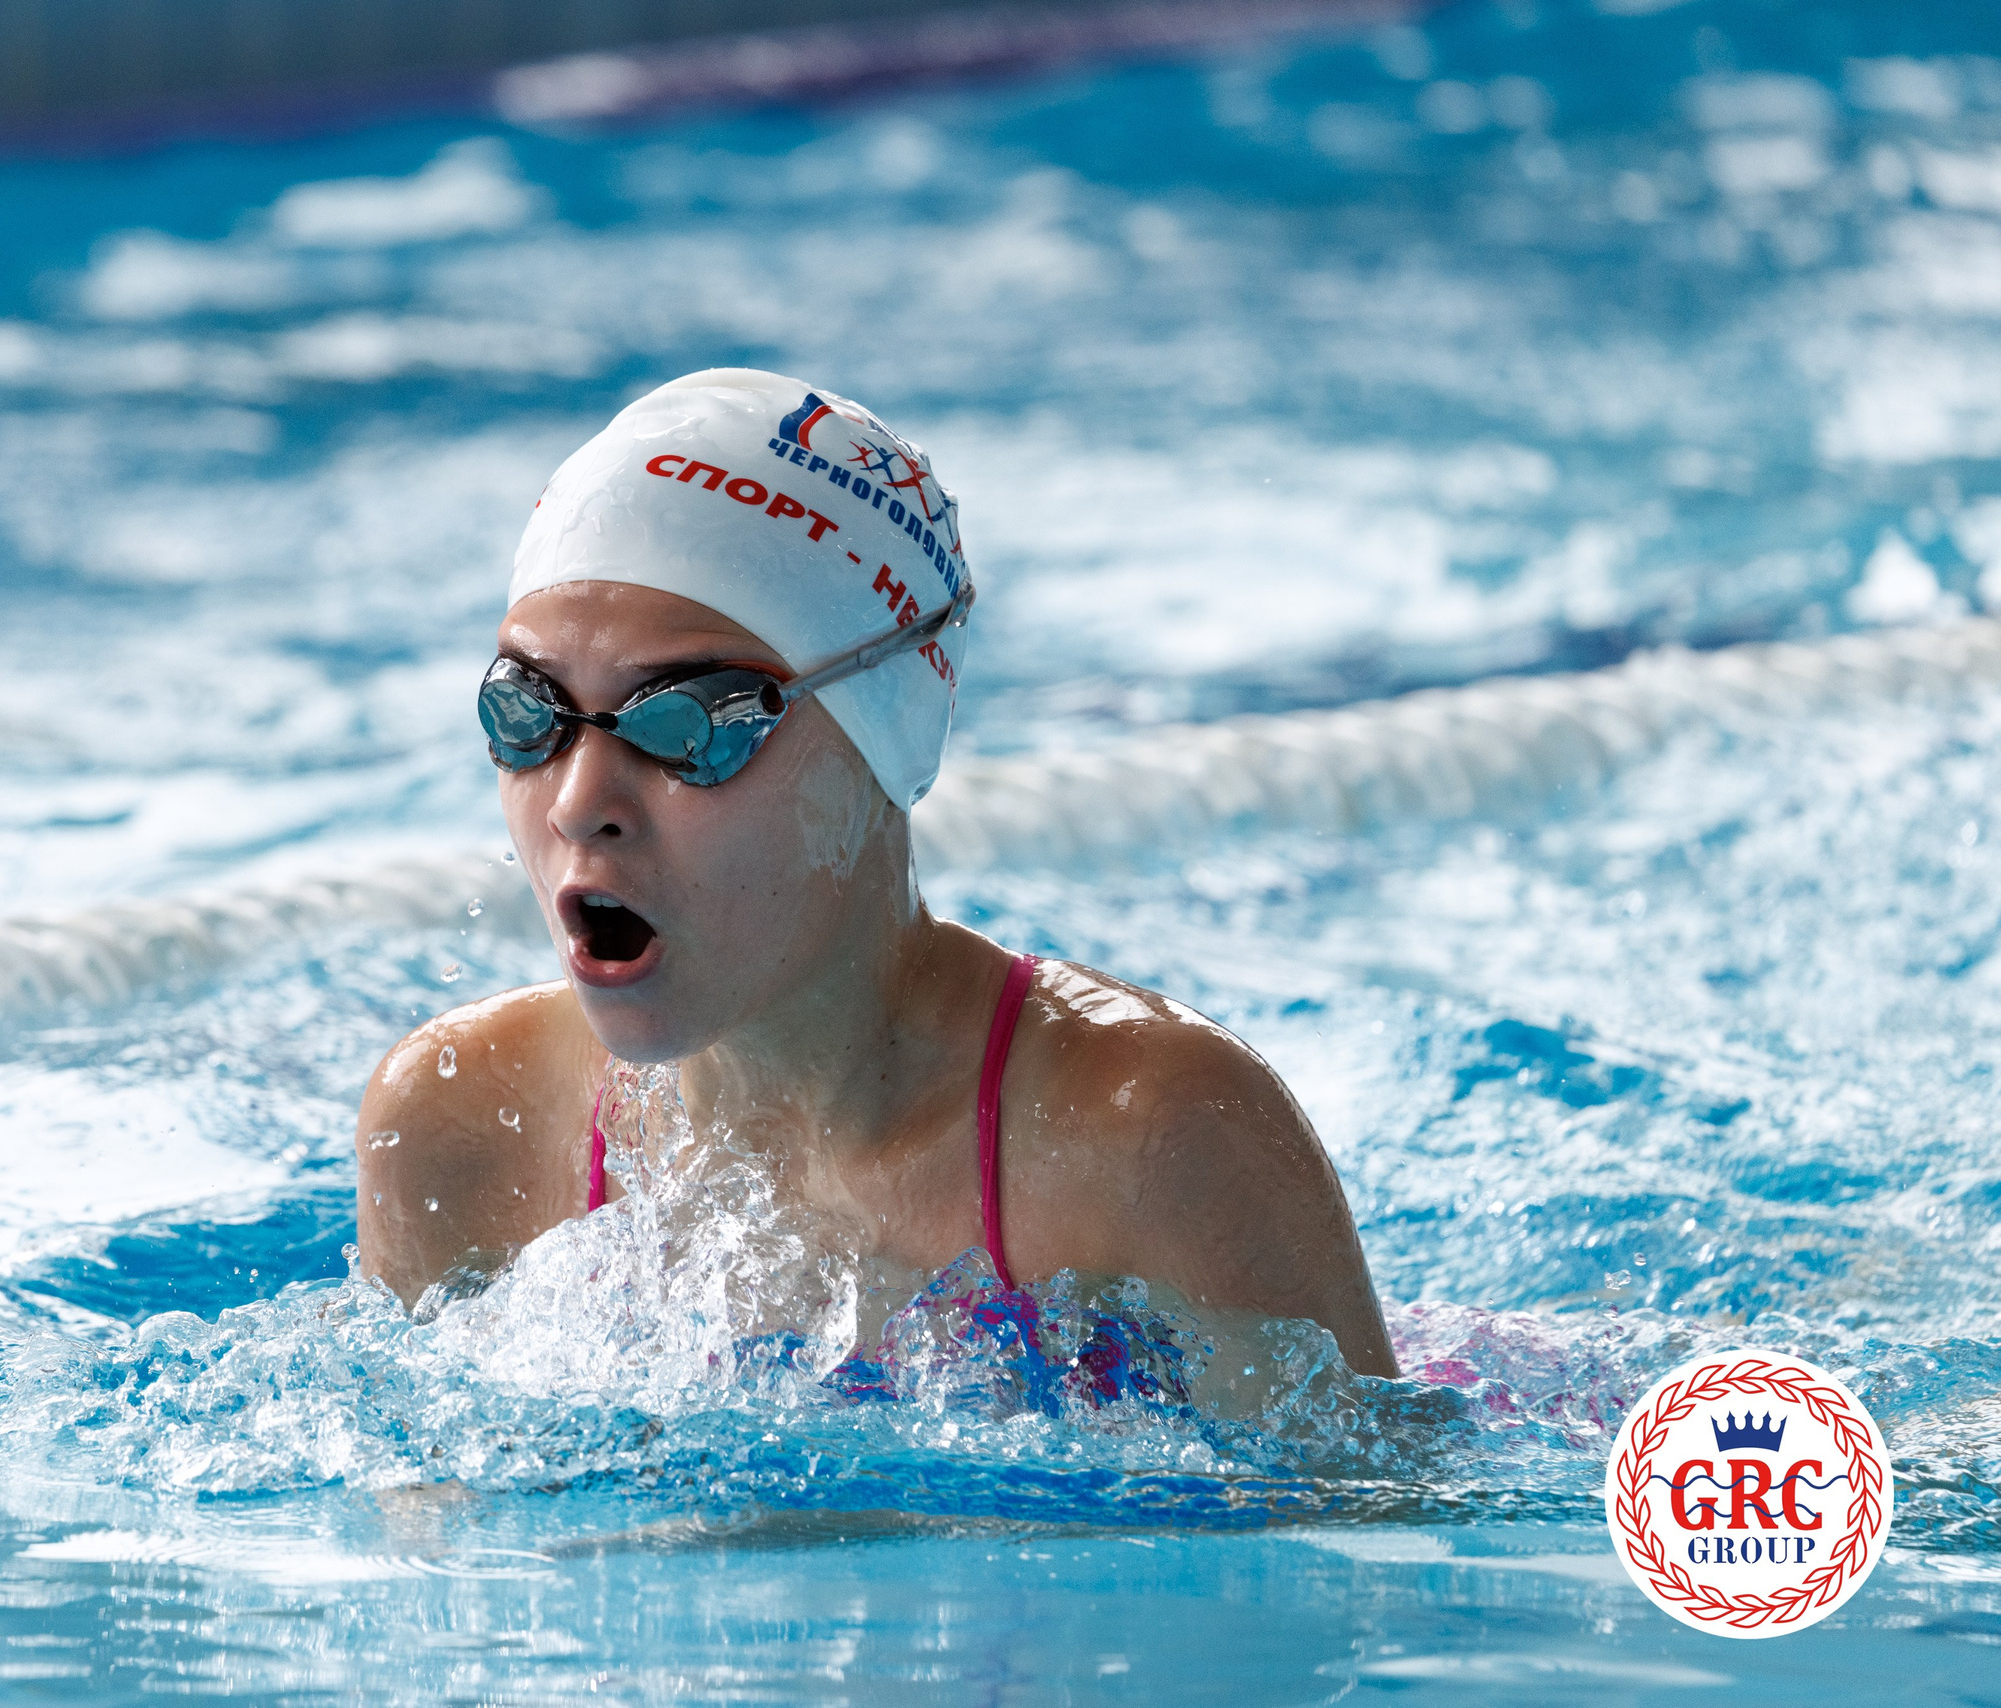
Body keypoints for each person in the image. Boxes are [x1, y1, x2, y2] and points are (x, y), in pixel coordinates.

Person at [355, 368, 1396, 1387]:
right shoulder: (464, 1133)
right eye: (528, 713)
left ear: (881, 731)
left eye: (689, 724)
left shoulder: (1146, 1134)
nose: (581, 801)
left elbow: (1365, 1541)